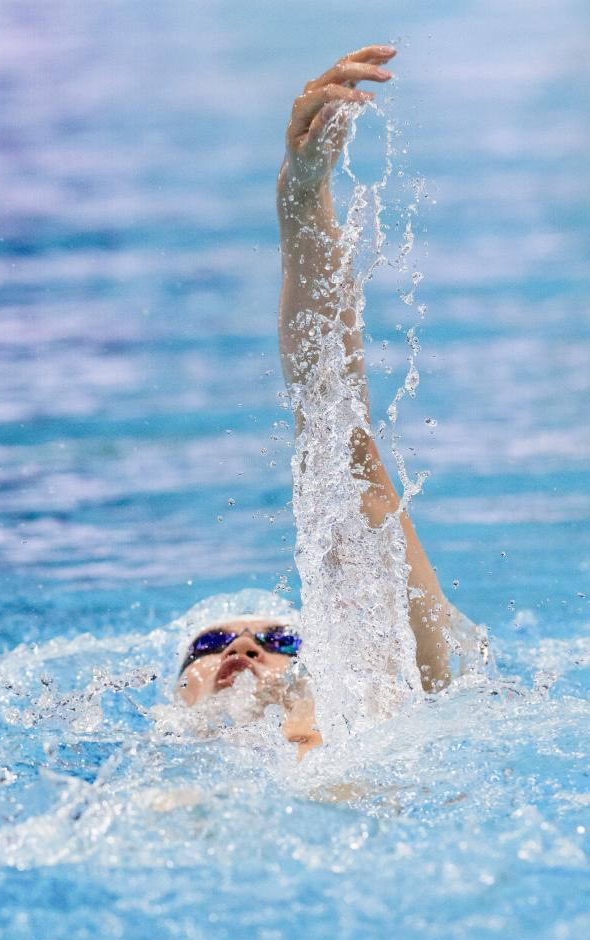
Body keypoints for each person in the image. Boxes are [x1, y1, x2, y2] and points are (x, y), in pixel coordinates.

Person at [176, 44, 456, 757]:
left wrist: (301, 195)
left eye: (283, 640)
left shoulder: (385, 719)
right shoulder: (143, 788)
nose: (242, 646)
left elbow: (343, 444)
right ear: (171, 699)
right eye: (208, 643)